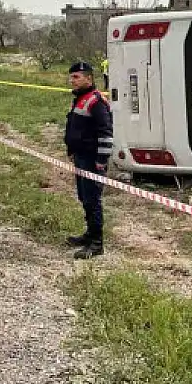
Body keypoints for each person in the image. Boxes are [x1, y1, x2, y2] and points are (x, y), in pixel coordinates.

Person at [64, 61, 114, 259]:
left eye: (76, 77)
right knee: (84, 198)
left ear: (89, 78)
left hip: (93, 160)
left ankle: (96, 243)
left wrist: (101, 159)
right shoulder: (80, 99)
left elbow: (106, 133)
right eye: (71, 77)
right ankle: (89, 234)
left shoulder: (96, 101)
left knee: (93, 200)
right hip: (81, 157)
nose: (72, 80)